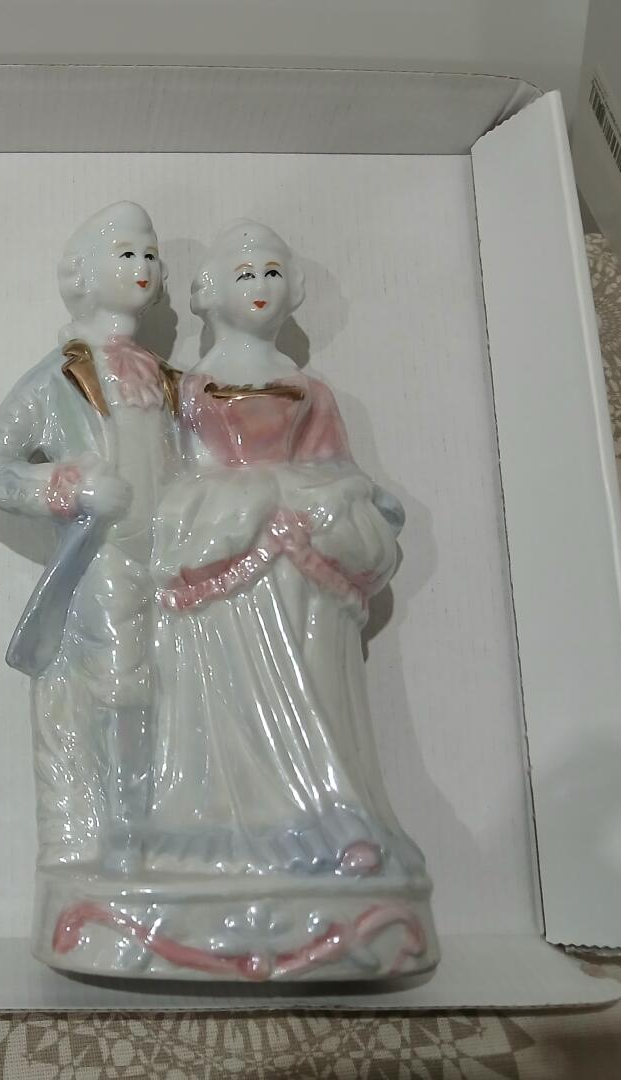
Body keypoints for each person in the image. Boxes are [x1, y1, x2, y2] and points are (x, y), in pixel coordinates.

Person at [147, 221, 425, 878]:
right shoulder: (189, 389)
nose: (262, 286)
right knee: (227, 687)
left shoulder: (310, 389)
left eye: (273, 272)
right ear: (211, 292)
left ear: (293, 289)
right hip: (225, 544)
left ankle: (328, 813)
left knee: (314, 681)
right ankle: (227, 821)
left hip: (300, 551)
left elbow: (337, 468)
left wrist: (322, 498)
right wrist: (239, 504)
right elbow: (181, 470)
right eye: (245, 274)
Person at [0, 202, 177, 873]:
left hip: (176, 557)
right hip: (106, 556)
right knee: (118, 684)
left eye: (150, 255)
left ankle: (164, 826)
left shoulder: (166, 378)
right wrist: (70, 486)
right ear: (82, 275)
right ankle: (120, 832)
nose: (143, 266)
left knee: (175, 688)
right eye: (126, 254)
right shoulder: (57, 378)